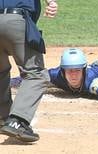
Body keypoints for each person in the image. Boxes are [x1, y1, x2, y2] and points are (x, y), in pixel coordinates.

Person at [0, 0, 58, 142]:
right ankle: (17, 121)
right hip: (16, 21)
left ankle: (2, 117)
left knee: (1, 71)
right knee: (37, 74)